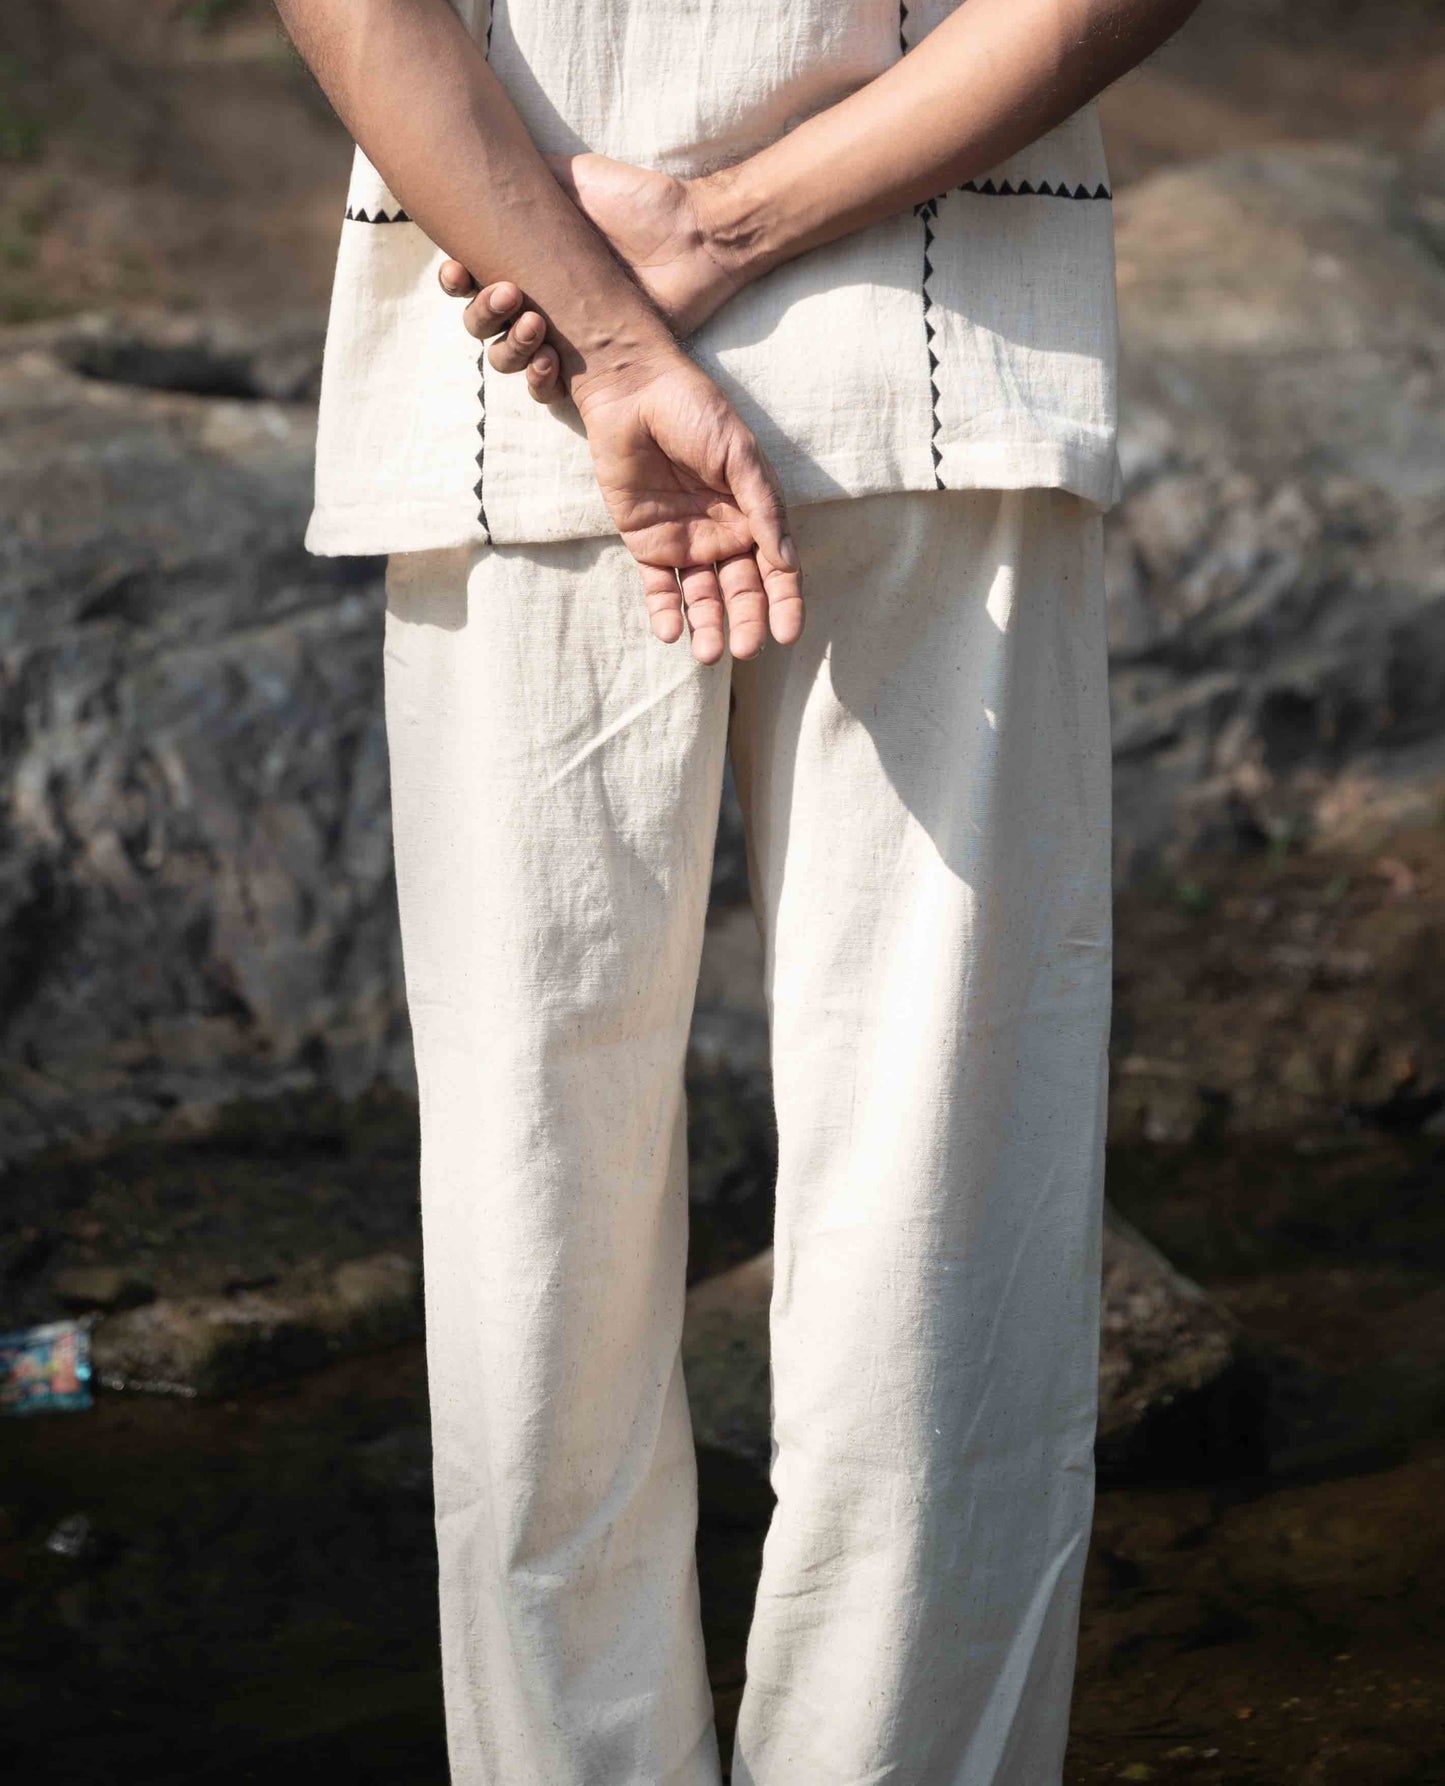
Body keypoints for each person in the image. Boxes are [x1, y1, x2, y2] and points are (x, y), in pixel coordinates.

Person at [276, 2, 1201, 1782]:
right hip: (940, 311)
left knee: (532, 1178)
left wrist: (617, 313)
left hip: (515, 314)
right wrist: (711, 236)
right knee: (937, 1161)